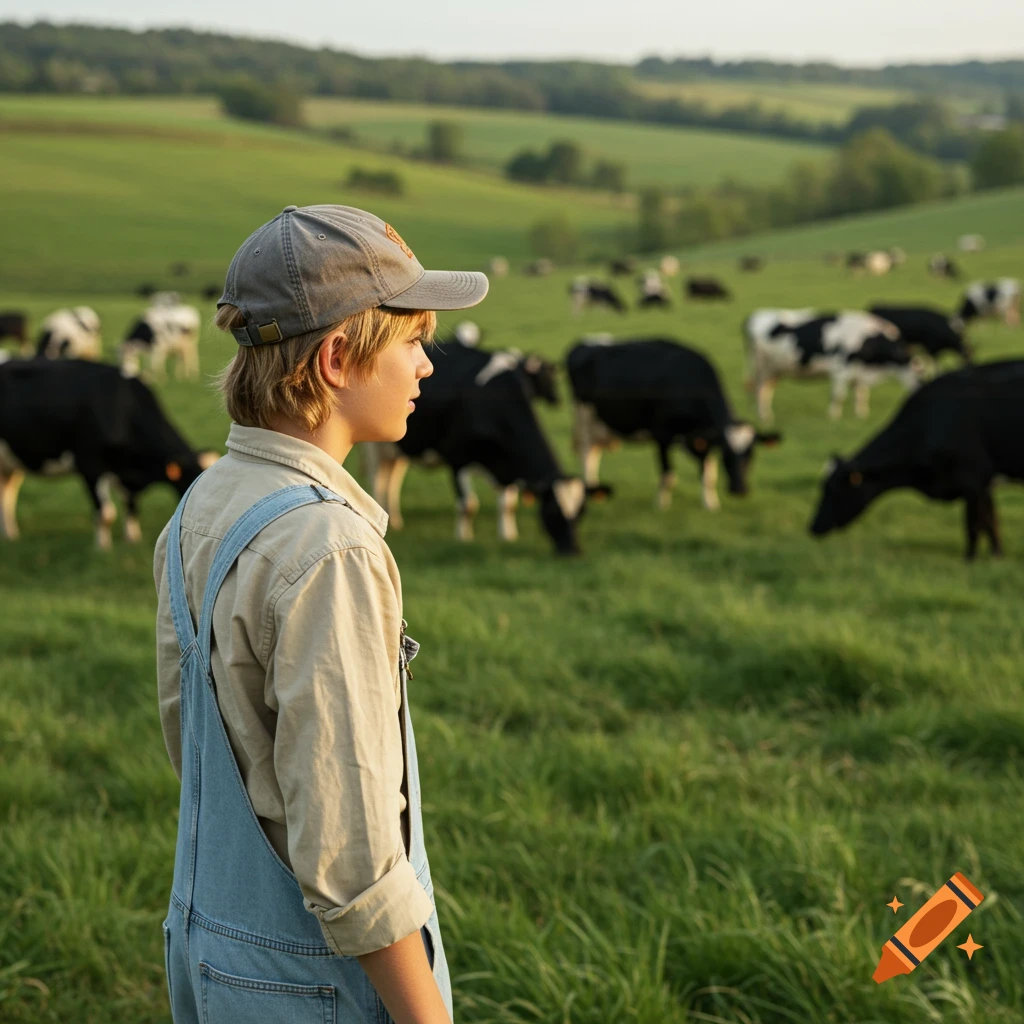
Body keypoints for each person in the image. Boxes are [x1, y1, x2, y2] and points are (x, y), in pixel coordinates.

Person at [153, 204, 488, 1023]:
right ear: (339, 358)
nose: (428, 367)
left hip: (212, 945)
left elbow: (188, 738)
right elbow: (352, 846)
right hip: (317, 986)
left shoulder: (207, 501)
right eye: (413, 341)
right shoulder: (326, 546)